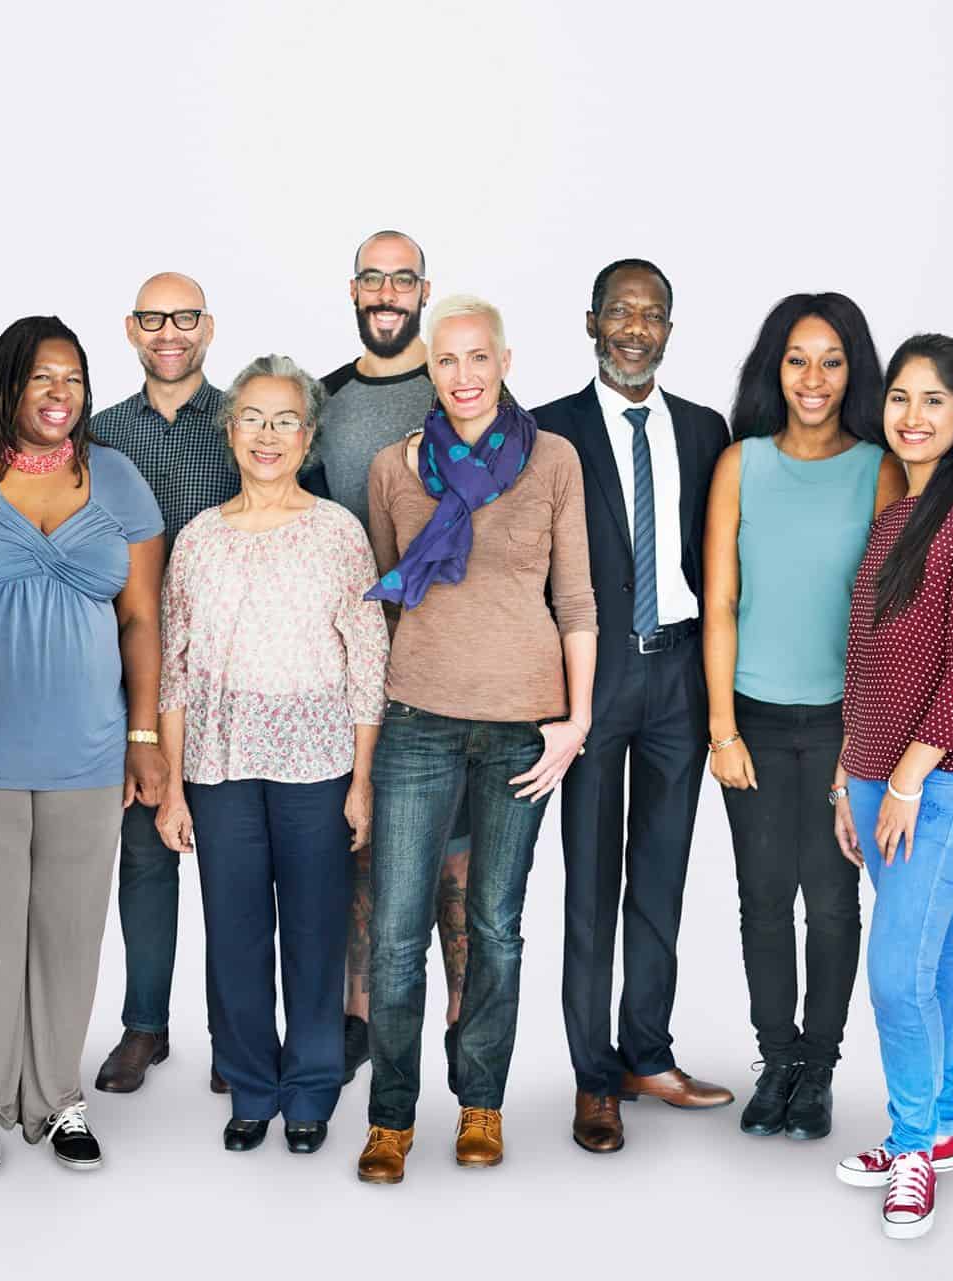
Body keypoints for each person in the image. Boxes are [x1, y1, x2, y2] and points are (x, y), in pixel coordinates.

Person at [0, 316, 166, 1173]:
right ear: (6, 387)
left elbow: (141, 617)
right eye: (41, 378)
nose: (59, 394)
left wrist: (145, 733)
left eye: (73, 379)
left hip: (88, 752)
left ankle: (54, 1098)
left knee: (70, 930)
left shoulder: (119, 483)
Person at [355, 295, 597, 1184]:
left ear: (504, 360)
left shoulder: (555, 461)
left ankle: (481, 1103)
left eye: (476, 357)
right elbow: (389, 600)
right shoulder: (394, 467)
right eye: (445, 361)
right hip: (417, 719)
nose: (462, 376)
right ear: (431, 370)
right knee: (394, 930)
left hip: (523, 731)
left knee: (495, 925)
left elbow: (575, 598)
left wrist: (574, 721)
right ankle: (389, 1117)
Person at [155, 355, 389, 1154]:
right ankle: (251, 1085)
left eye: (286, 420)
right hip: (217, 767)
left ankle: (312, 1088)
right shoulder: (197, 540)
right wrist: (175, 790)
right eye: (252, 417)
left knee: (318, 932)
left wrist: (362, 779)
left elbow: (368, 659)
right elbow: (173, 668)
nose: (268, 435)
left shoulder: (338, 531)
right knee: (236, 932)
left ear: (310, 436)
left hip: (318, 762)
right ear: (230, 431)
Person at [829, 334, 953, 1239]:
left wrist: (906, 777)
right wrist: (848, 776)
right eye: (900, 399)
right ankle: (937, 1128)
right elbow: (867, 660)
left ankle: (912, 1145)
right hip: (877, 777)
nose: (912, 417)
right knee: (930, 955)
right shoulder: (894, 517)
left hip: (946, 778)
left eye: (932, 402)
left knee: (896, 968)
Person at [533, 258, 735, 1155]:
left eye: (652, 314)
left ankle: (649, 1051)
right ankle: (593, 1077)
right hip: (591, 684)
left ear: (668, 329)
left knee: (660, 876)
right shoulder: (548, 431)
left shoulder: (705, 429)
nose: (634, 327)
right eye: (620, 311)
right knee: (589, 887)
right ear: (590, 322)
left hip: (678, 683)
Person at [704, 293, 901, 1143]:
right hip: (748, 714)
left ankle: (818, 1067)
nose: (813, 377)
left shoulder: (878, 468)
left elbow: (889, 616)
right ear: (772, 369)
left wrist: (860, 743)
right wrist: (721, 730)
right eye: (796, 359)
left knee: (830, 902)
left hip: (839, 726)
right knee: (760, 899)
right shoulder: (739, 463)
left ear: (853, 368)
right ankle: (775, 1057)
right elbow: (721, 602)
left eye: (830, 359)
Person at [308, 230, 475, 1087]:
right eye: (371, 279)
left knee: (460, 853)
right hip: (355, 665)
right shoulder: (323, 400)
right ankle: (358, 1017)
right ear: (352, 291)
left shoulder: (461, 390)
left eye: (400, 280)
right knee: (362, 842)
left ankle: (461, 1020)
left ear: (423, 290)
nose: (386, 293)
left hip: (455, 657)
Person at [89, 272, 241, 1096]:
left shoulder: (242, 424)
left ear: (208, 327)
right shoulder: (100, 436)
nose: (169, 333)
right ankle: (144, 1025)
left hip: (232, 681)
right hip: (131, 681)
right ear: (131, 330)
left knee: (231, 864)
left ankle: (235, 1032)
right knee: (146, 861)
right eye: (154, 319)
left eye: (184, 318)